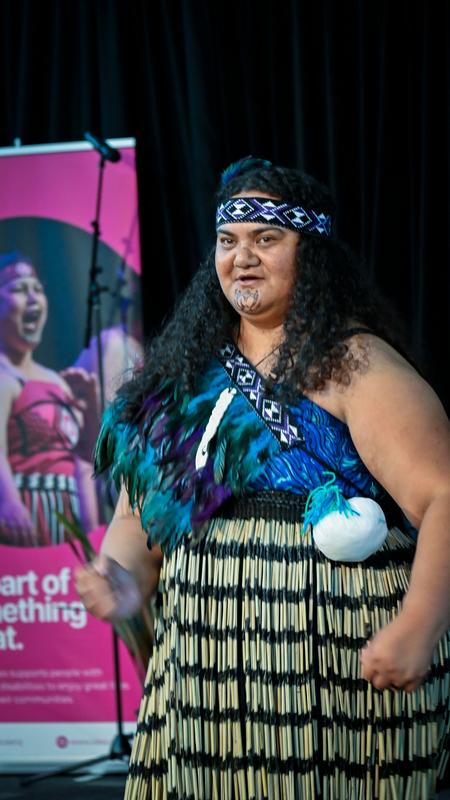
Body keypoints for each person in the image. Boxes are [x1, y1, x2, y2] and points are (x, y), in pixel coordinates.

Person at [75, 158, 450, 799]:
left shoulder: (355, 364)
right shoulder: (184, 379)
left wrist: (418, 624)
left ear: (312, 252)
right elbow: (138, 522)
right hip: (208, 675)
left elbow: (443, 495)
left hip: (332, 673)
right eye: (229, 241)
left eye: (266, 239)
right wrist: (121, 581)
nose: (241, 257)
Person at [0, 251, 100, 546]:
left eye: (37, 289)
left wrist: (92, 408)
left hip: (71, 513)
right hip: (28, 512)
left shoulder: (57, 380)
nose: (32, 297)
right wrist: (9, 503)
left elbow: (86, 461)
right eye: (18, 289)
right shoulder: (4, 377)